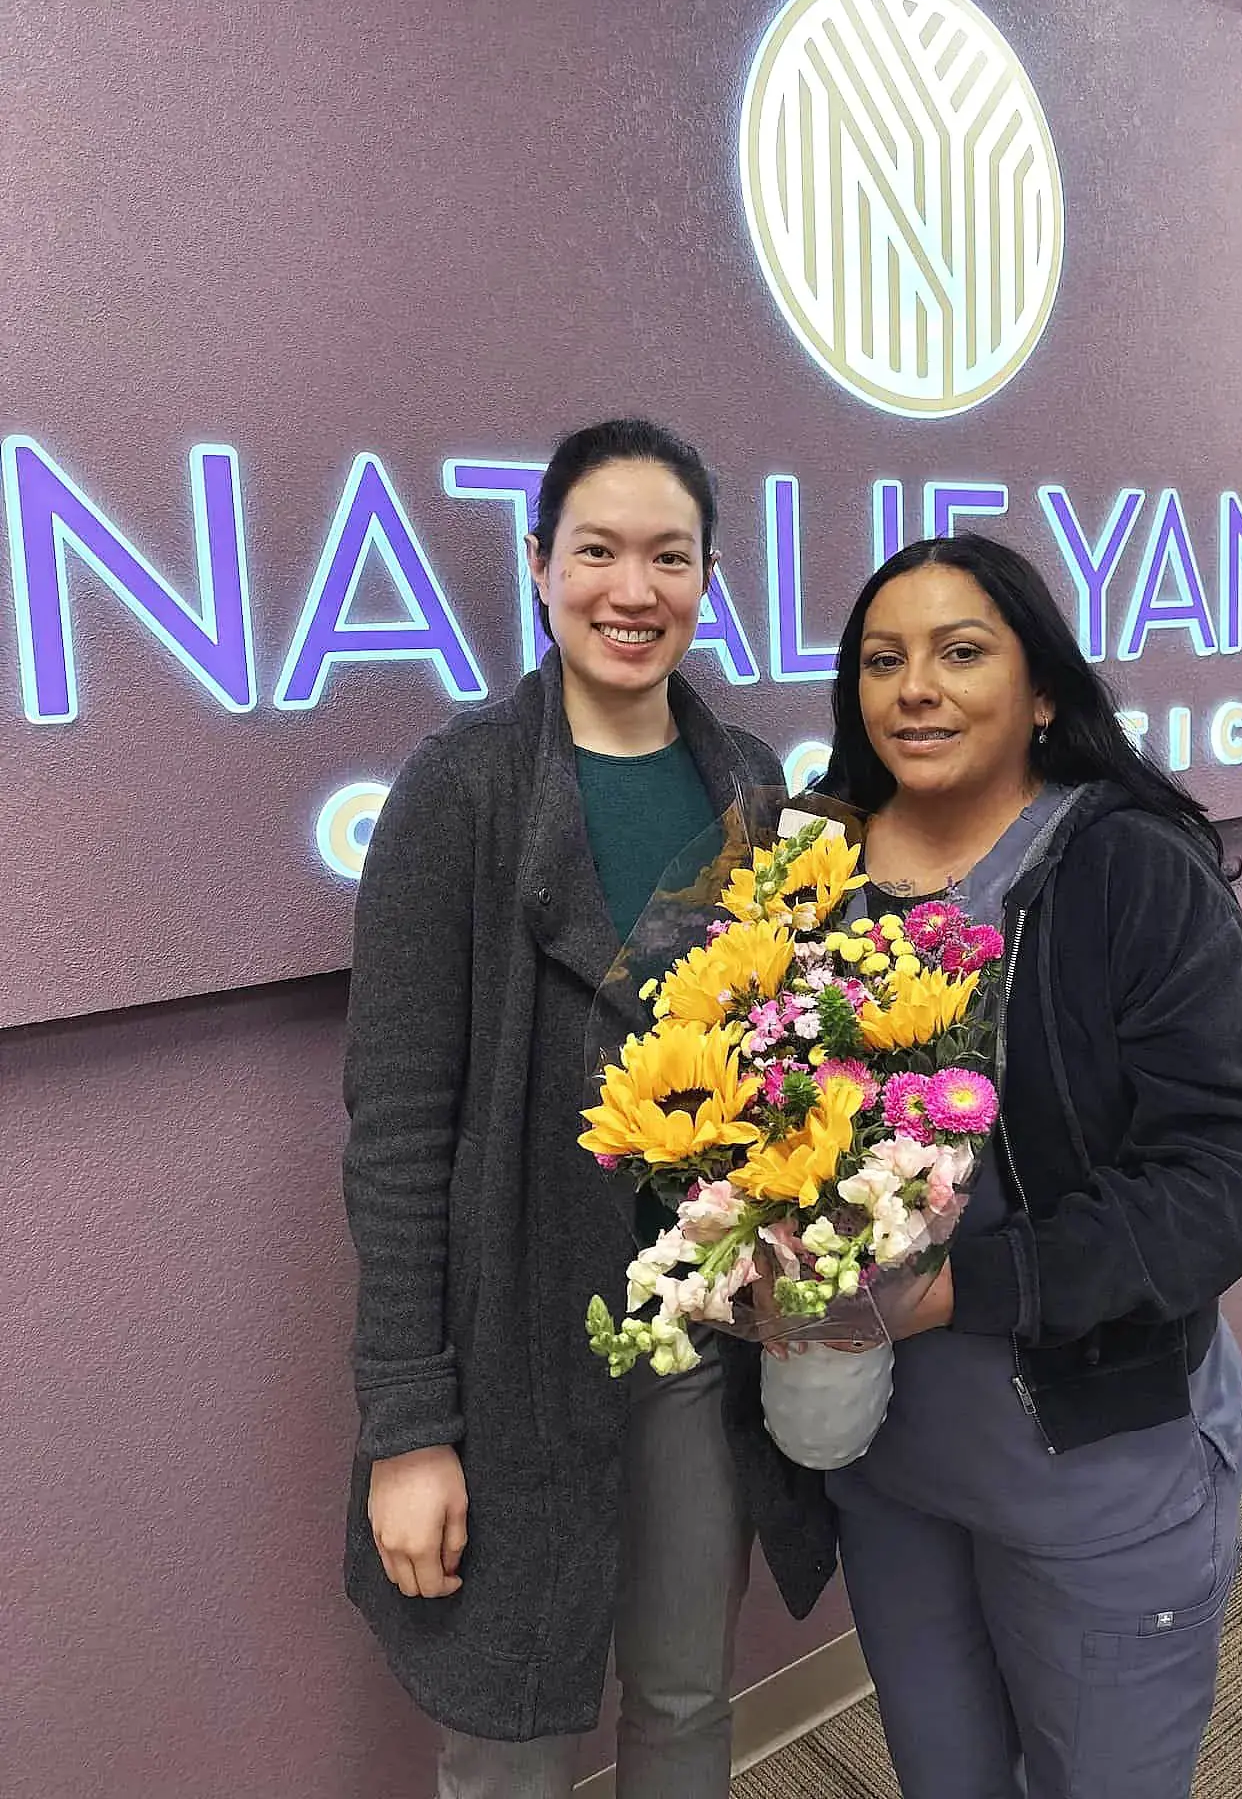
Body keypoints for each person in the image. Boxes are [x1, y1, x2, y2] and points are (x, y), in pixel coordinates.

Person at [341, 419, 835, 1799]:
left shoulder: (748, 782)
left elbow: (780, 1064)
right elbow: (393, 1135)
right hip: (513, 1359)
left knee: (683, 1698)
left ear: (709, 576)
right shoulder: (462, 789)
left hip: (694, 1342)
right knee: (513, 1736)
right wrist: (407, 1428)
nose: (635, 589)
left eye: (669, 557)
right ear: (539, 565)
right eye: (599, 551)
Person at [815, 533, 1242, 1799]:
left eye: (960, 651)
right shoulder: (810, 876)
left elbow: (1235, 1178)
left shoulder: (1128, 868)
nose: (914, 686)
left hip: (1092, 1454)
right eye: (882, 659)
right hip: (886, 1458)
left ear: (1041, 691)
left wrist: (954, 1291)